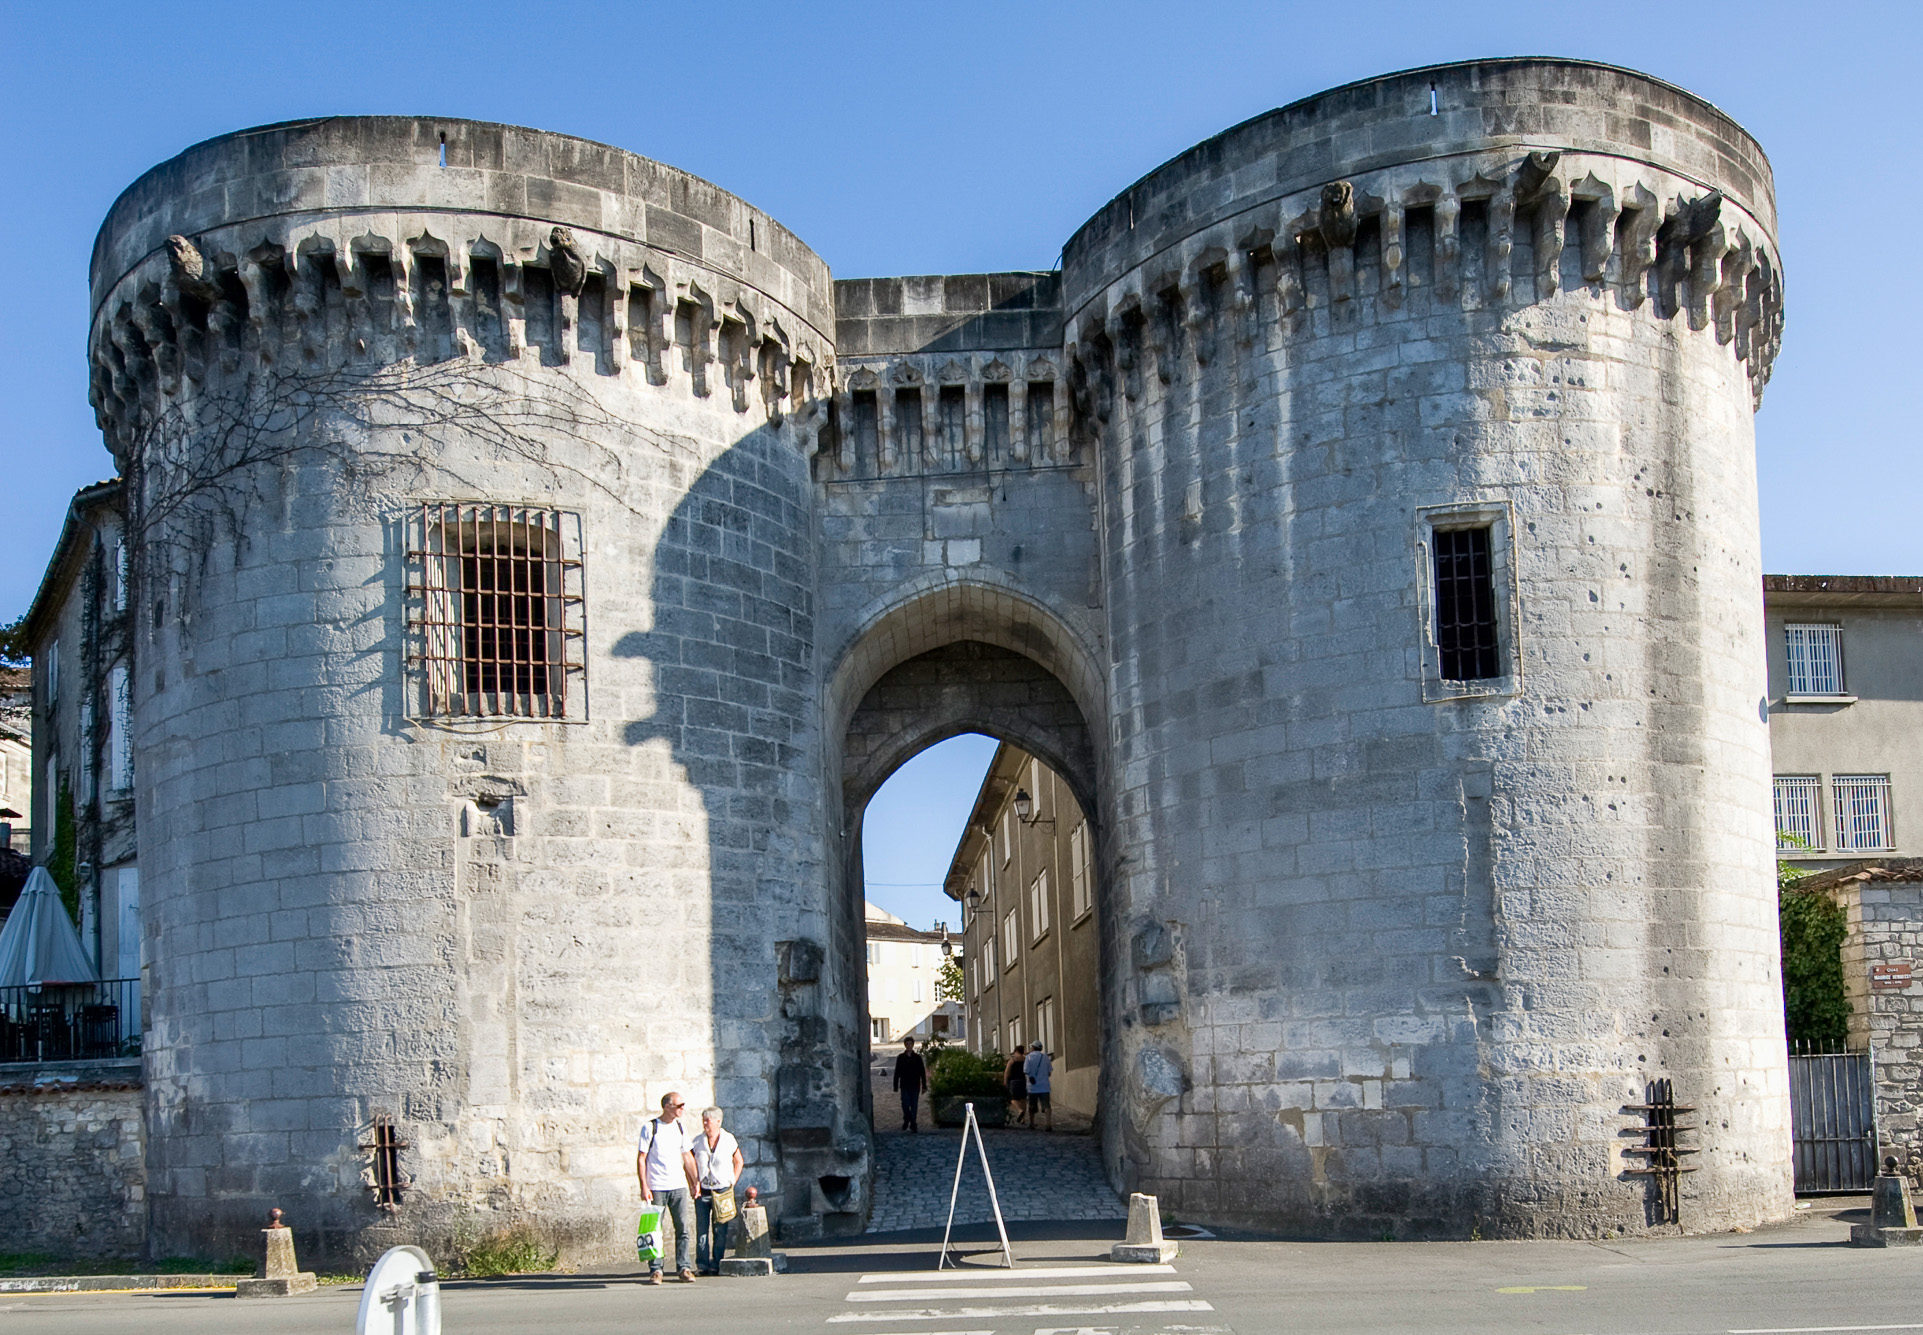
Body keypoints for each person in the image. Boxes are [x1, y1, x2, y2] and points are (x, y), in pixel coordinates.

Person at [636, 1090, 700, 1284]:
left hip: (678, 1185)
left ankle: (684, 1268)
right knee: (655, 1229)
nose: (682, 1109)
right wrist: (644, 1186)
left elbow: (687, 1156)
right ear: (667, 1107)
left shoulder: (680, 1127)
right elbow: (641, 1158)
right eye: (678, 1106)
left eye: (683, 1105)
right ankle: (656, 1270)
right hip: (657, 1186)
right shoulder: (650, 1128)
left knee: (683, 1229)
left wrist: (695, 1181)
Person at [692, 1106, 744, 1275]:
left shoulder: (728, 1139)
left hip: (722, 1190)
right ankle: (702, 1264)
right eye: (704, 1120)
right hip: (703, 1190)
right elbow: (690, 1164)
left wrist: (732, 1182)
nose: (705, 1124)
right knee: (702, 1229)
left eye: (708, 1120)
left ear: (718, 1121)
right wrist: (693, 1183)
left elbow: (739, 1161)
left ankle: (717, 1262)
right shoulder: (697, 1141)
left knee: (720, 1229)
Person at [893, 1036, 929, 1133]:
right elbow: (897, 1072)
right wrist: (895, 1085)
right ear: (905, 1045)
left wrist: (924, 1085)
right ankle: (907, 1118)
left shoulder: (917, 1058)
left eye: (910, 1044)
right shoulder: (901, 1057)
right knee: (905, 1104)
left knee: (914, 1105)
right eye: (907, 1044)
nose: (909, 1046)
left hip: (915, 1084)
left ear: (913, 1045)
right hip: (904, 1084)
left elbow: (922, 1072)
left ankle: (913, 1123)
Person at [1023, 1041, 1055, 1131]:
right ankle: (1048, 1124)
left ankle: (1032, 1123)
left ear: (1033, 1047)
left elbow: (1026, 1071)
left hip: (1032, 1087)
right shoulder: (1045, 1057)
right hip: (1044, 1086)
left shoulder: (1028, 1057)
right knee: (1046, 1105)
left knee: (1032, 1106)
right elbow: (1049, 1072)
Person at [1002, 1048, 1028, 1127]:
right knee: (1023, 1099)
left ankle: (1020, 1110)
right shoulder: (1026, 1059)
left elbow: (1007, 1072)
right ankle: (1023, 1119)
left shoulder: (1012, 1060)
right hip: (1023, 1081)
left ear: (1016, 1051)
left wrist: (1005, 1081)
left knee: (1012, 1099)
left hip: (1014, 1081)